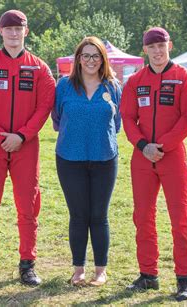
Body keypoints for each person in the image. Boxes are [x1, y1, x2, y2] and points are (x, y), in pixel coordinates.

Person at [0, 10, 55, 287]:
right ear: (0, 32)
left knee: (28, 207)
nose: (14, 33)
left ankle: (27, 264)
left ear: (26, 32)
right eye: (9, 29)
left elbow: (44, 106)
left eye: (19, 29)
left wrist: (23, 136)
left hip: (26, 147)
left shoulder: (40, 67)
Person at [120, 27, 187, 301]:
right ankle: (148, 274)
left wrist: (163, 145)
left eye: (161, 45)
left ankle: (184, 278)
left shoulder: (183, 77)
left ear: (170, 45)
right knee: (143, 216)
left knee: (180, 217)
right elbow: (127, 118)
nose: (157, 51)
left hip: (172, 155)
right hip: (143, 158)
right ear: (145, 50)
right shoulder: (135, 81)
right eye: (152, 47)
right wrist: (143, 145)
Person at [52, 36, 121, 287]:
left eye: (96, 56)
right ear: (78, 59)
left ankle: (100, 270)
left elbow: (118, 124)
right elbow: (58, 118)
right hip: (70, 158)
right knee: (79, 215)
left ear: (103, 59)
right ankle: (78, 269)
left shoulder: (112, 86)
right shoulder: (63, 86)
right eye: (86, 55)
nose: (91, 60)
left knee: (99, 216)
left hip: (104, 158)